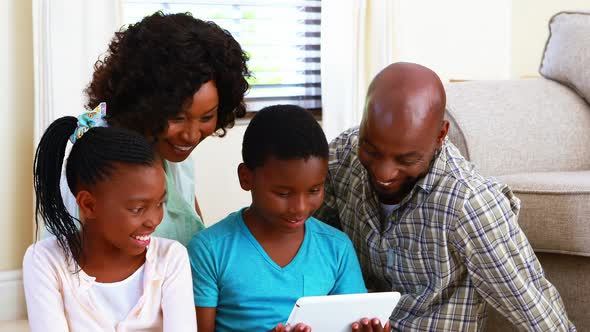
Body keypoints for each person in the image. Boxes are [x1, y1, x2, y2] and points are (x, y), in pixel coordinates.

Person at [315, 62, 575, 331]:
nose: (383, 172)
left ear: (440, 135)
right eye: (371, 149)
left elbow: (536, 311)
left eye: (406, 159)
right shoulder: (345, 155)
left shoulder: (469, 205)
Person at [187, 105, 388, 332]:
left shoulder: (337, 248)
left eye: (314, 190)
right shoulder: (210, 250)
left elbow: (351, 322)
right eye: (283, 193)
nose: (300, 208)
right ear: (246, 178)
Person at [61, 11, 251, 245]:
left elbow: (196, 237)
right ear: (143, 103)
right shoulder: (99, 167)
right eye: (177, 117)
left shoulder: (175, 157)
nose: (191, 135)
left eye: (207, 117)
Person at [24, 105, 196, 331]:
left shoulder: (171, 258)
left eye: (160, 203)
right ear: (89, 204)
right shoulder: (45, 261)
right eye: (137, 208)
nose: (154, 220)